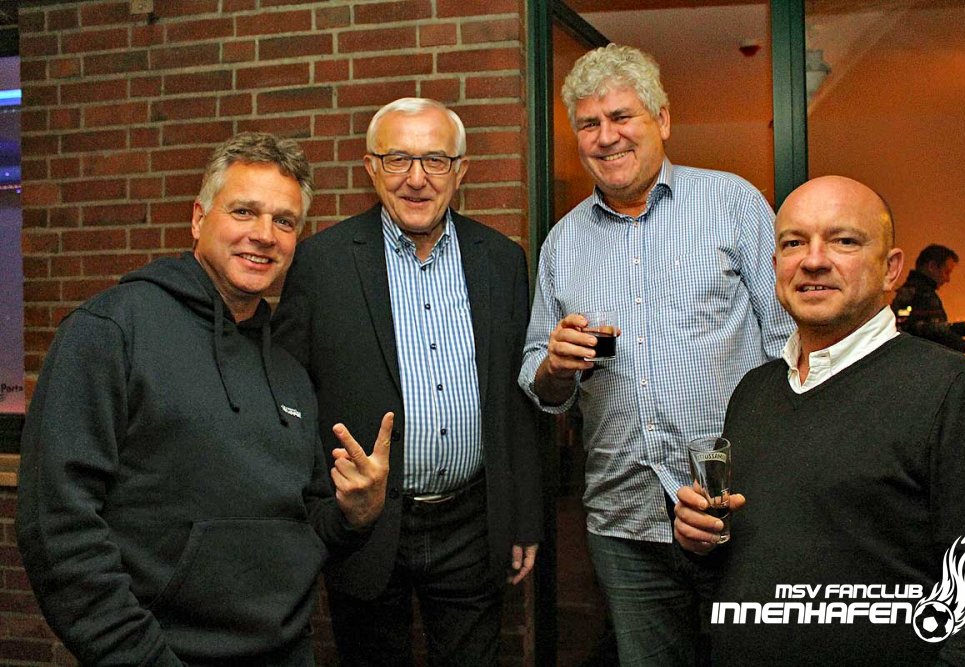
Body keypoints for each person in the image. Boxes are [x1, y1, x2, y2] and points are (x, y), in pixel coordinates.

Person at [16, 132, 392, 666]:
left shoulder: (287, 372)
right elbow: (56, 528)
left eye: (285, 221)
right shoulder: (112, 330)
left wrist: (354, 516)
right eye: (244, 211)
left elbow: (303, 526)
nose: (264, 235)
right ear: (198, 218)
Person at [518, 44, 794, 665]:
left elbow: (788, 342)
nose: (606, 136)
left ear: (662, 120)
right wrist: (554, 366)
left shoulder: (732, 203)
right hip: (623, 519)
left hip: (736, 506)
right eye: (589, 124)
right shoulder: (563, 242)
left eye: (622, 117)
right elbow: (539, 375)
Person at [674, 175, 965, 665]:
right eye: (793, 243)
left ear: (891, 269)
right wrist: (700, 542)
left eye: (844, 241)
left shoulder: (955, 392)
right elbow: (742, 569)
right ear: (775, 267)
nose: (813, 260)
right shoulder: (753, 392)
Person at [272, 98, 542, 666]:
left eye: (435, 160)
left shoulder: (501, 261)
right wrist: (318, 512)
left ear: (461, 170)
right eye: (397, 159)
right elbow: (288, 398)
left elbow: (515, 403)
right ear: (371, 168)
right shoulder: (320, 264)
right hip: (366, 527)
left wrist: (523, 515)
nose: (417, 179)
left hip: (472, 522)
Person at [891, 243, 965, 357]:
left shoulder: (910, 291)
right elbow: (939, 335)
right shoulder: (923, 295)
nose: (947, 279)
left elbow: (938, 330)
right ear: (932, 266)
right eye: (947, 272)